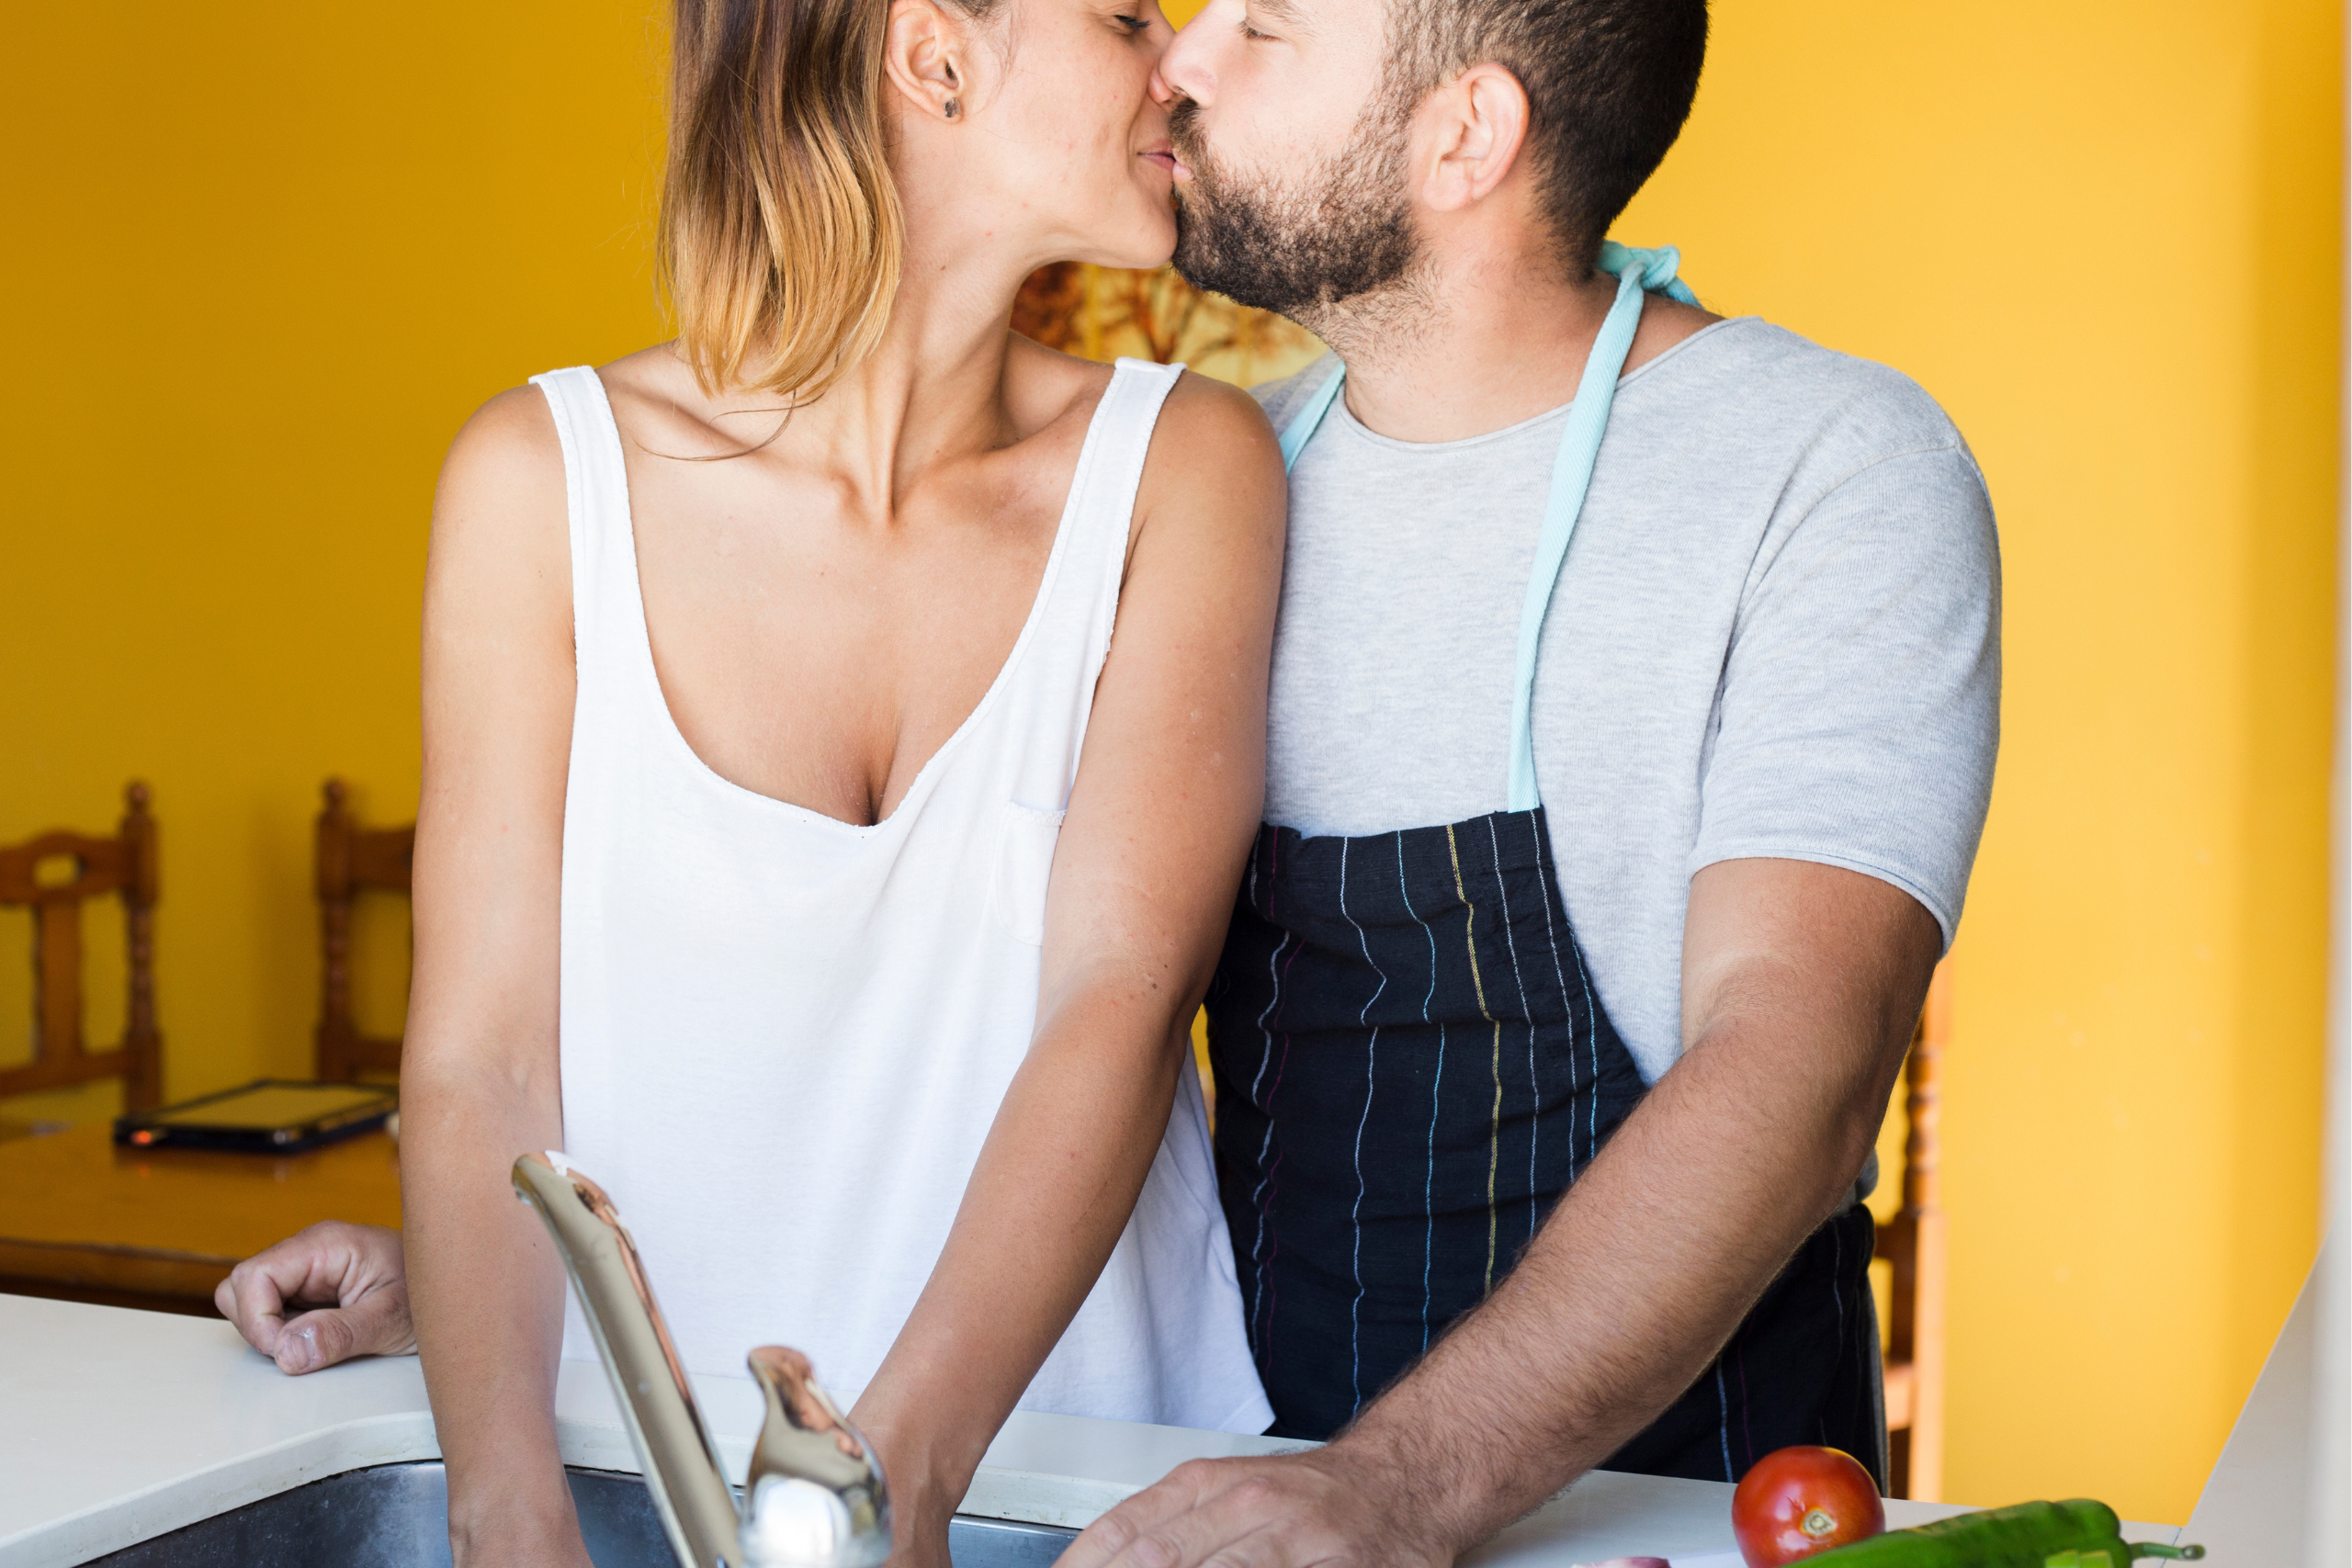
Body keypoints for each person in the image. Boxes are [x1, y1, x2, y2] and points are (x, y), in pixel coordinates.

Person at [217, 0, 1288, 1562]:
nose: (1179, 63)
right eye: (1127, 15)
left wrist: (884, 1488)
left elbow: (1118, 998)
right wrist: (506, 1504)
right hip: (643, 1477)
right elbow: (481, 1068)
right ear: (934, 57)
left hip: (1083, 1490)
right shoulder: (539, 482)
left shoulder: (1187, 466)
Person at [1053, 0, 1997, 1562]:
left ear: (1464, 138)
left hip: (1682, 1501)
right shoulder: (1219, 489)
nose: (1181, 65)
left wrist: (1394, 1485)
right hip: (1250, 1493)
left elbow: (1800, 1064)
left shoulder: (1833, 467)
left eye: (1264, 31)